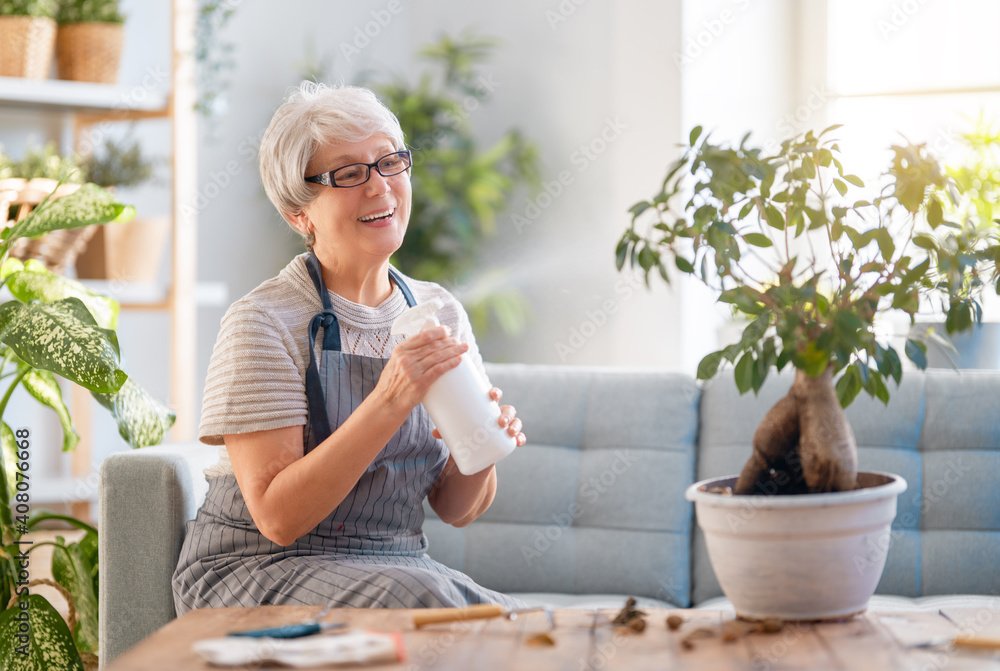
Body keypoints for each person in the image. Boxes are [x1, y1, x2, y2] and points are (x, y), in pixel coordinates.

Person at [172, 82, 527, 613]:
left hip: (396, 564)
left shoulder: (439, 311)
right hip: (257, 568)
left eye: (389, 162)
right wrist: (389, 399)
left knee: (512, 621)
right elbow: (278, 518)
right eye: (348, 174)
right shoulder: (263, 321)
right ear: (300, 214)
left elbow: (456, 509)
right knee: (432, 602)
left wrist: (483, 448)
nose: (379, 186)